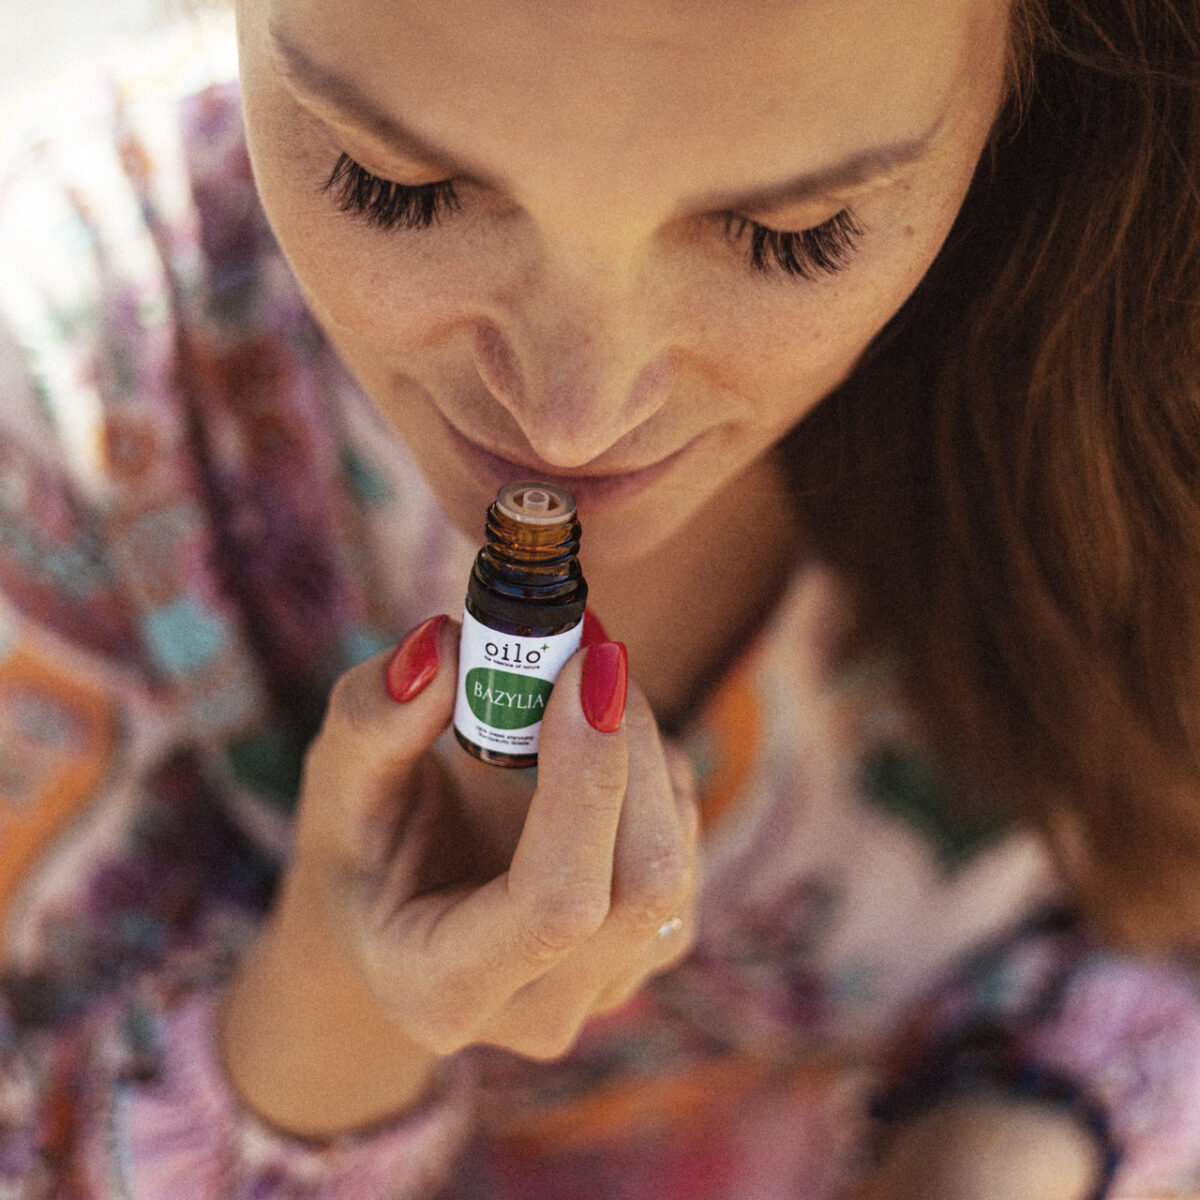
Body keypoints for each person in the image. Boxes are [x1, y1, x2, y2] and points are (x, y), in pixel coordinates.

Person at [0, 0, 1195, 1194]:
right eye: (395, 187)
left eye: (789, 237)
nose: (572, 419)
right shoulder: (54, 395)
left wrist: (1011, 1145)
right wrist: (338, 997)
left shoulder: (1157, 310)